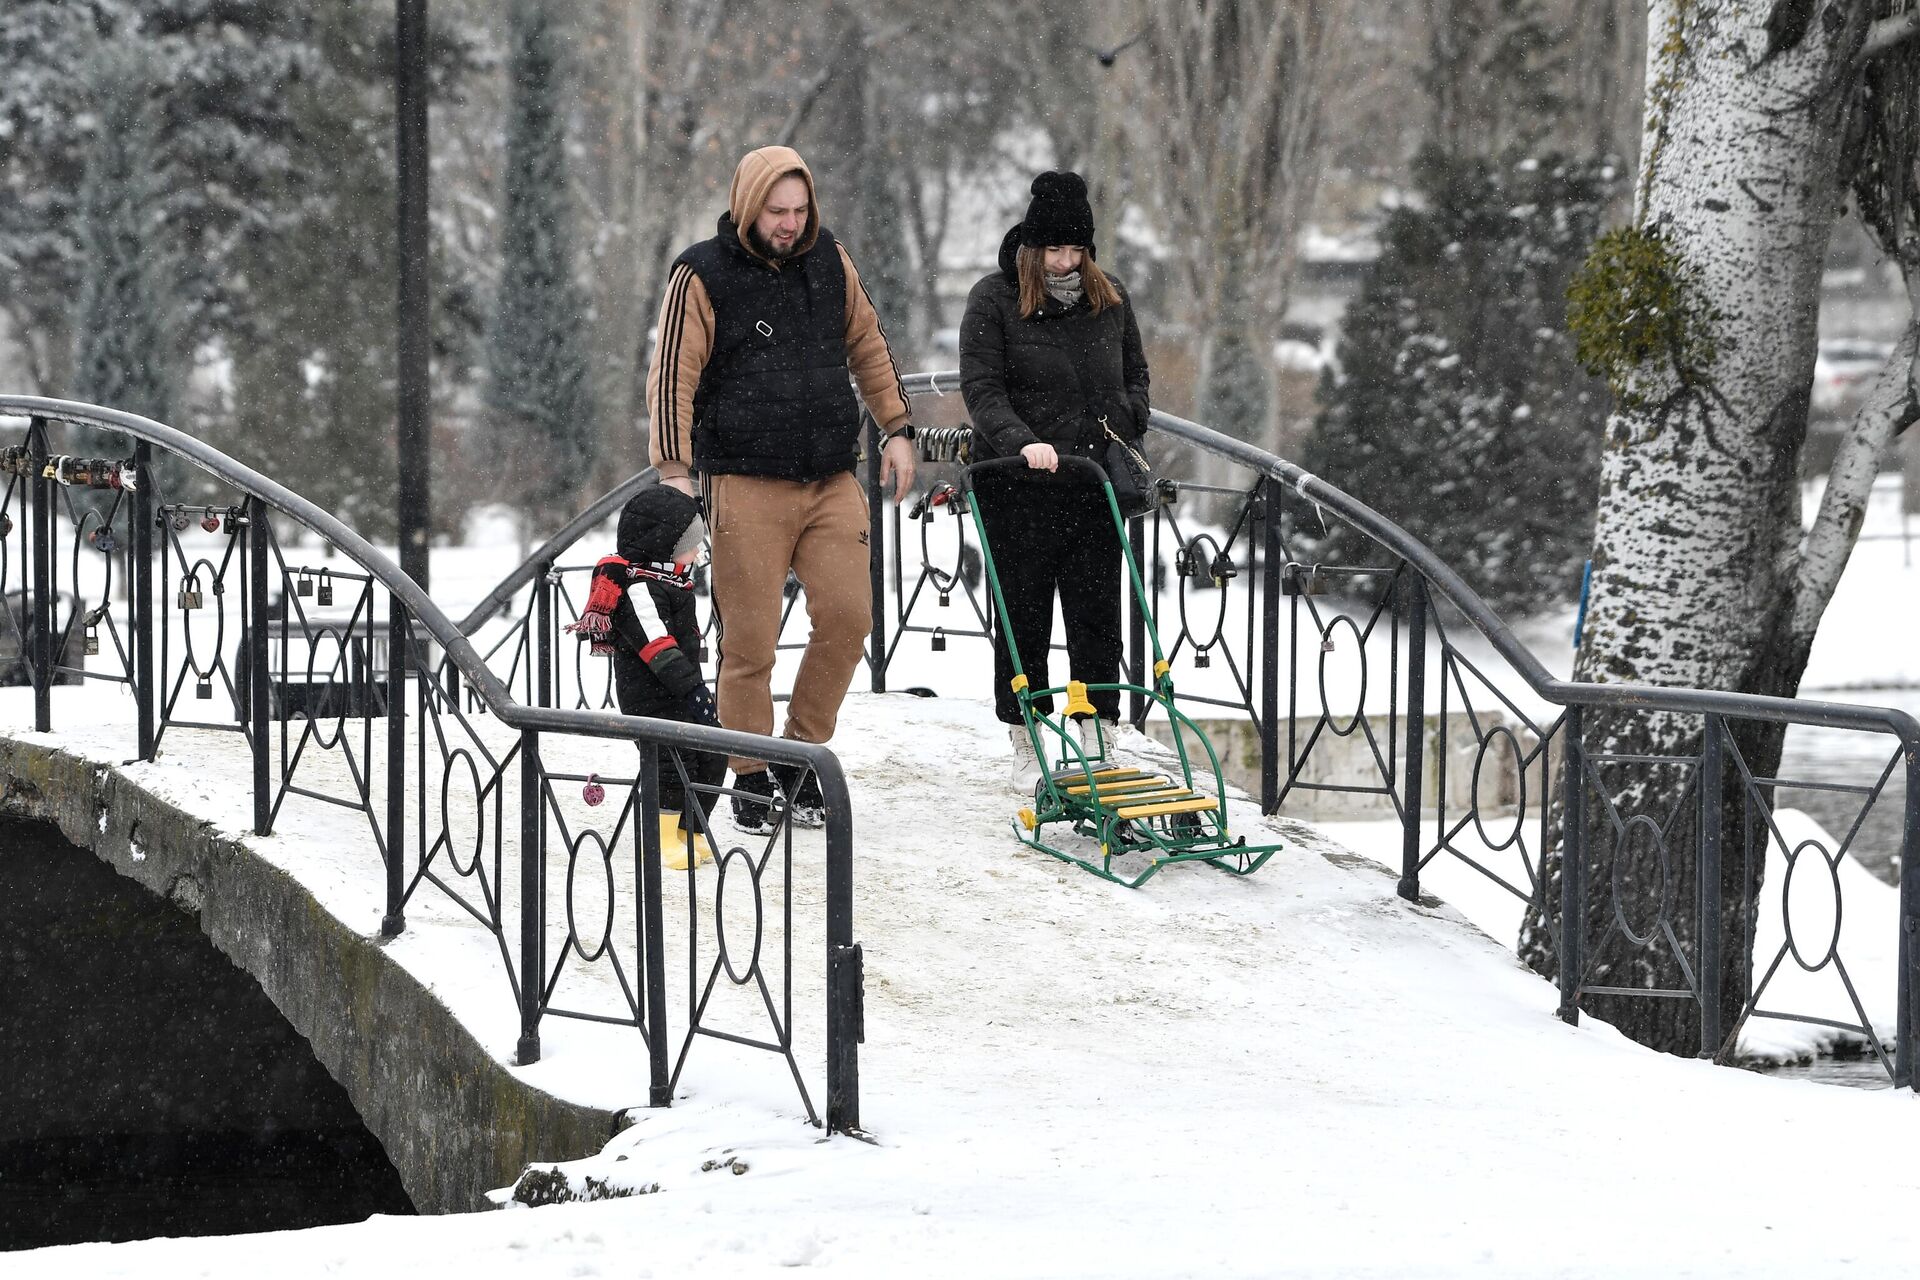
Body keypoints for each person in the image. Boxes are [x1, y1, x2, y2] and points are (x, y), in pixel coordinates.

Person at [645, 145, 917, 834]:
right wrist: (675, 471)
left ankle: (799, 751)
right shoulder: (701, 274)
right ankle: (751, 772)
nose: (791, 224)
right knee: (751, 643)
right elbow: (672, 374)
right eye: (777, 211)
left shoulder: (831, 261)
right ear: (747, 205)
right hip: (743, 480)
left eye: (800, 211)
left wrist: (898, 428)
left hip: (830, 476)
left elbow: (869, 346)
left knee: (851, 618)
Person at [958, 171, 1150, 789]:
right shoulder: (994, 300)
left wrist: (1127, 417)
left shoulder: (1110, 298)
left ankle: (1098, 728)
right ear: (1032, 248)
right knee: (1024, 613)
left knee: (1096, 610)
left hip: (1092, 483)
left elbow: (1137, 375)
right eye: (1054, 250)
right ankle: (1025, 734)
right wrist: (1023, 442)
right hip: (1018, 484)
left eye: (1076, 250)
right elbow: (982, 391)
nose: (1065, 262)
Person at [568, 484, 722, 869]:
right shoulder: (637, 588)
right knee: (671, 763)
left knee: (712, 755)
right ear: (663, 545)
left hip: (680, 690)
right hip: (651, 694)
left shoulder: (674, 583)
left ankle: (691, 830)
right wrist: (693, 690)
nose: (696, 553)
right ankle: (659, 837)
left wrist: (692, 689)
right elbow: (657, 646)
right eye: (689, 544)